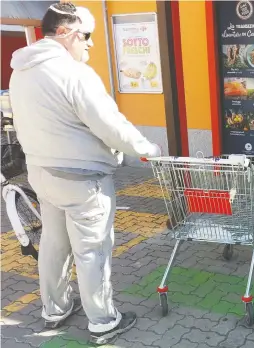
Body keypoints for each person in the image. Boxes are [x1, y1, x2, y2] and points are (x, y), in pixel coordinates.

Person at [9, 3, 161, 345]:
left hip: (42, 172)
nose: (90, 44)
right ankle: (104, 321)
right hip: (82, 179)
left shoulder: (21, 70)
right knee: (92, 250)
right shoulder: (73, 73)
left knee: (53, 243)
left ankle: (55, 308)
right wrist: (147, 149)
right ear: (66, 34)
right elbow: (110, 125)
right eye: (86, 36)